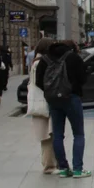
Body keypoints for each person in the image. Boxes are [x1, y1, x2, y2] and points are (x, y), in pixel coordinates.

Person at [37, 39, 91, 178]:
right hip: (72, 98)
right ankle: (78, 169)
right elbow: (83, 78)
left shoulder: (45, 59)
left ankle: (63, 168)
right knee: (78, 134)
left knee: (58, 134)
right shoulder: (73, 57)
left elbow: (39, 81)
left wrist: (52, 91)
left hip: (54, 100)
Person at [25, 37, 58, 174]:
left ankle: (49, 163)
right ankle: (49, 166)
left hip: (38, 102)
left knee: (46, 135)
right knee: (47, 135)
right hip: (43, 103)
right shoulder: (41, 63)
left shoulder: (35, 61)